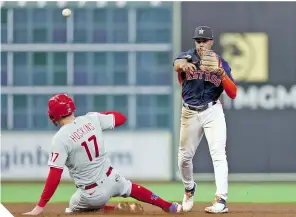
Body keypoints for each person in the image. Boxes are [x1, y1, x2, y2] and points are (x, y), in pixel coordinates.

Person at [23, 93, 182, 215]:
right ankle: (169, 206)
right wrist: (99, 116)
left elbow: (55, 175)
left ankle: (112, 209)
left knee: (72, 207)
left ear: (53, 116)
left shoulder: (60, 138)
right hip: (113, 178)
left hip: (93, 193)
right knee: (130, 187)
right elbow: (121, 118)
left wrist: (40, 206)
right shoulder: (92, 119)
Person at [173, 25, 237, 213]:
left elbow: (233, 93)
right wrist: (182, 65)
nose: (201, 44)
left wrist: (222, 74)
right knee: (183, 159)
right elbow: (177, 63)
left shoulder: (221, 63)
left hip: (212, 111)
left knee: (219, 155)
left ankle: (221, 200)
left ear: (211, 42)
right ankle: (189, 188)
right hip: (189, 112)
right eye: (198, 41)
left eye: (204, 40)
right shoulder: (187, 56)